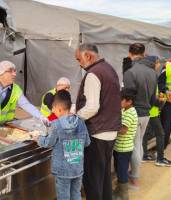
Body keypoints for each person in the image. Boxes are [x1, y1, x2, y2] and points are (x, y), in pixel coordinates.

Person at [75, 43, 121, 200]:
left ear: (88, 56)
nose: (78, 63)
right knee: (104, 176)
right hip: (111, 131)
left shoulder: (93, 74)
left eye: (78, 59)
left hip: (97, 133)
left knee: (93, 179)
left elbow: (92, 107)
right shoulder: (110, 69)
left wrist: (74, 118)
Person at [33, 90, 90, 200]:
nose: (52, 110)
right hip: (77, 167)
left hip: (62, 170)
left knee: (63, 197)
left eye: (53, 108)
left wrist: (38, 138)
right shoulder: (81, 122)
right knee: (76, 195)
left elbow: (48, 143)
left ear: (58, 108)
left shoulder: (56, 124)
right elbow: (87, 142)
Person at [0, 60, 48, 129]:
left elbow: (25, 104)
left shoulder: (16, 89)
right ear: (1, 73)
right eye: (10, 71)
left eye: (15, 71)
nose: (14, 74)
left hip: (2, 127)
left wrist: (40, 116)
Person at [123, 43, 157, 189]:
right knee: (139, 143)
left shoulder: (131, 71)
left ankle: (135, 179)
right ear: (144, 54)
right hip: (147, 113)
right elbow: (153, 97)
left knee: (134, 146)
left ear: (130, 53)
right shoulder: (152, 72)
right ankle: (135, 174)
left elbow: (128, 96)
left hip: (134, 113)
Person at [141, 56, 171, 167]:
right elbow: (151, 97)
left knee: (145, 134)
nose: (159, 65)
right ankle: (160, 159)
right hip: (152, 112)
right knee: (161, 134)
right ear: (152, 64)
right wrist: (162, 100)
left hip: (147, 111)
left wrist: (160, 95)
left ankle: (144, 155)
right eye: (157, 63)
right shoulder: (152, 76)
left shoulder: (146, 75)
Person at [113, 88, 138, 200]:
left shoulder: (130, 113)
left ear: (129, 101)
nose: (119, 102)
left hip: (123, 149)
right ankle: (119, 190)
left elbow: (123, 130)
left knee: (122, 171)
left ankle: (124, 195)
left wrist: (111, 125)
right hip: (120, 148)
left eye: (121, 100)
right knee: (119, 169)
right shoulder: (125, 110)